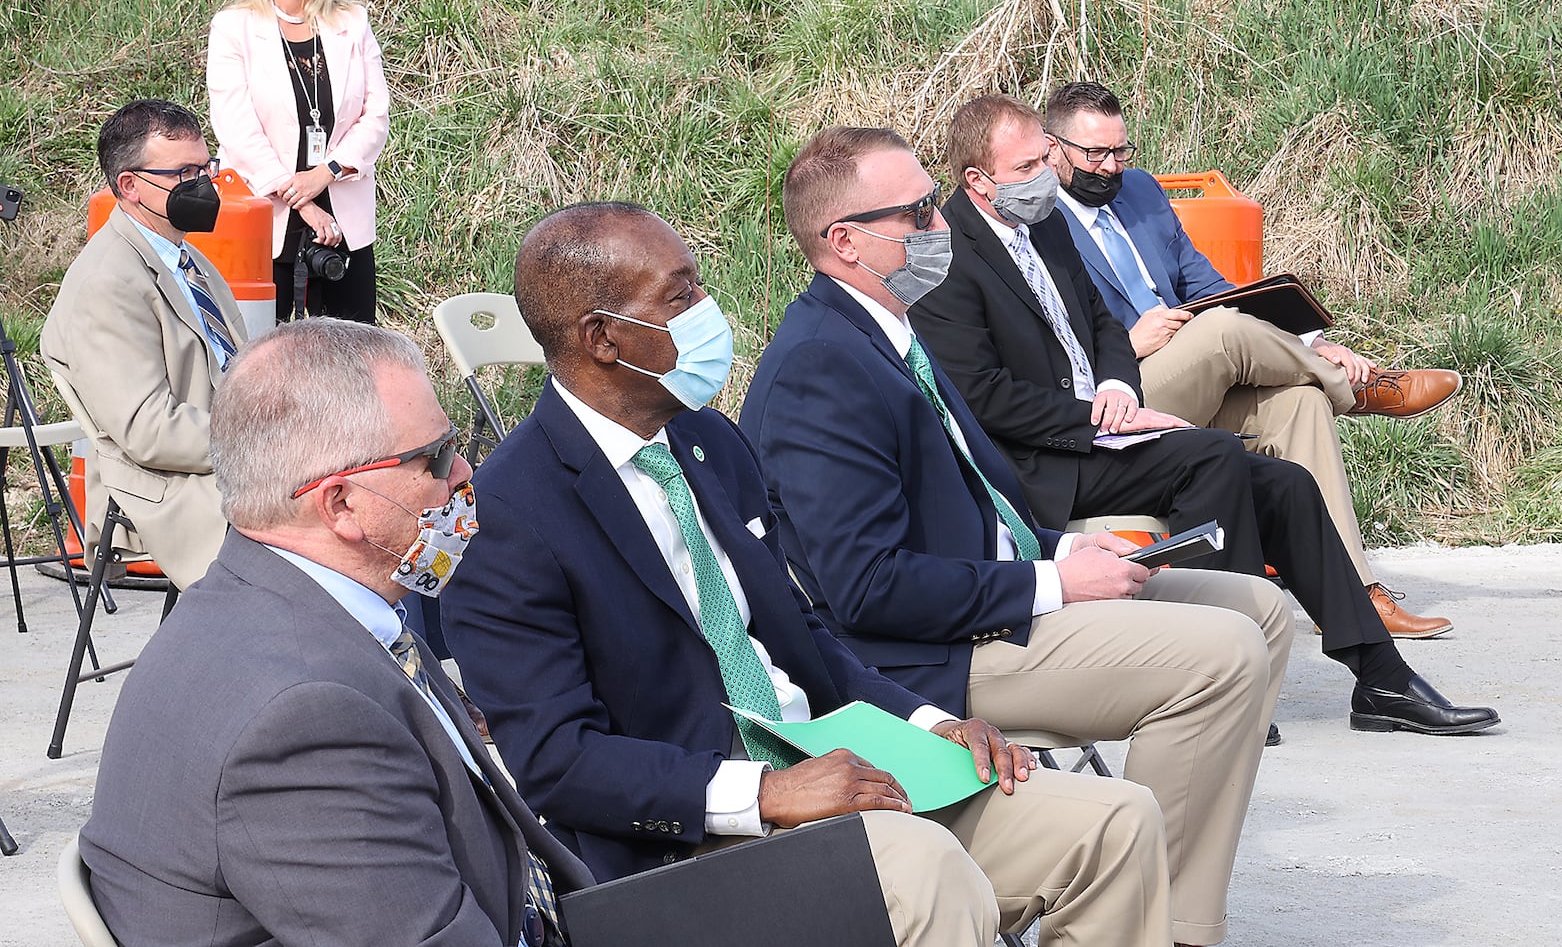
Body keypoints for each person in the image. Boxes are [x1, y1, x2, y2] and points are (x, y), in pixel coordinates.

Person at [443, 202, 1176, 947]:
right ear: (602, 338)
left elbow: (801, 636)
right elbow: (557, 763)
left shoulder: (703, 438)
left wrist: (930, 725)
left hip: (840, 765)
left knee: (1115, 822)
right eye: (680, 295)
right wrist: (769, 792)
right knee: (920, 867)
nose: (708, 309)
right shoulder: (509, 513)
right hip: (694, 842)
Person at [742, 128, 1290, 947]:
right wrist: (1056, 585)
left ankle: (1158, 904)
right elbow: (867, 589)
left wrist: (1066, 551)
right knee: (1221, 657)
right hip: (930, 651)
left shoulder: (889, 328)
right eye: (919, 211)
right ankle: (1163, 922)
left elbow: (979, 499)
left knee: (1259, 607)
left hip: (998, 595)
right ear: (846, 241)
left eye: (935, 201)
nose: (941, 224)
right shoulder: (822, 364)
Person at [904, 97, 1499, 737]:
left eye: (1048, 159)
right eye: (1030, 165)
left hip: (1102, 424)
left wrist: (1117, 387)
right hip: (1042, 459)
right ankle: (1228, 677)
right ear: (978, 181)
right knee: (1215, 457)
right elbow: (982, 397)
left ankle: (1382, 679)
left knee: (1288, 485)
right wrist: (1094, 419)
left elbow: (1104, 328)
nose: (1049, 174)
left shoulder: (1045, 223)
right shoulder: (949, 258)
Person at [79, 317, 593, 945]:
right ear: (342, 504)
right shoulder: (306, 719)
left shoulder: (298, 604)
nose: (464, 472)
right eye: (434, 458)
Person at [1043, 80, 1459, 637]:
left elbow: (1209, 286)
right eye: (1094, 154)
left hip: (1198, 363)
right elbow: (1047, 341)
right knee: (1218, 331)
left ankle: (1356, 598)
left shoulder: (1140, 192)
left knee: (1301, 401)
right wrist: (1125, 344)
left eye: (1121, 151)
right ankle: (1358, 389)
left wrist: (1309, 344)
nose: (1111, 167)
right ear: (1052, 148)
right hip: (1124, 391)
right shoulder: (1039, 220)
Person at [41, 99, 243, 590]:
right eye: (184, 173)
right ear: (129, 186)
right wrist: (267, 444)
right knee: (336, 529)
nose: (202, 186)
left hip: (231, 448)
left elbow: (243, 365)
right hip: (173, 481)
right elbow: (148, 431)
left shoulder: (186, 258)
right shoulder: (107, 282)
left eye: (205, 168)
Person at [207, 0, 390, 324]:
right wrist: (301, 197)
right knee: (261, 363)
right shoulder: (234, 28)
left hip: (343, 215)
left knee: (353, 358)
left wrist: (326, 173)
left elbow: (375, 114)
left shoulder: (352, 21)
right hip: (265, 218)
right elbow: (236, 128)